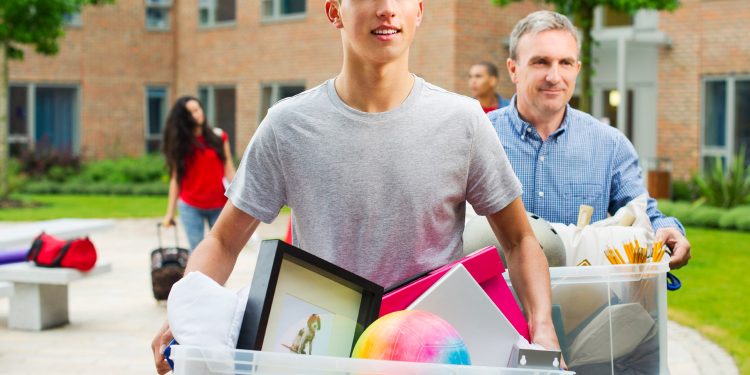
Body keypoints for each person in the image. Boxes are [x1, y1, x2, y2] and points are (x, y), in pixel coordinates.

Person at [152, 1, 561, 373]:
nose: (386, 9)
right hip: (323, 356)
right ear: (334, 12)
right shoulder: (287, 125)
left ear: (419, 11)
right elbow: (223, 242)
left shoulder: (463, 121)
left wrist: (543, 331)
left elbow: (521, 240)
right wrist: (187, 313)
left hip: (432, 356)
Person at [489, 10, 690, 269]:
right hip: (495, 302)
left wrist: (668, 229)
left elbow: (641, 212)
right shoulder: (479, 137)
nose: (554, 76)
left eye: (565, 63)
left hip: (583, 302)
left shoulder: (610, 145)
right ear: (513, 69)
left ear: (577, 69)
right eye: (541, 62)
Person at [161, 96, 236, 251]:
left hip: (219, 204)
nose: (197, 114)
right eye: (192, 112)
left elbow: (229, 169)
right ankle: (197, 276)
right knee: (197, 250)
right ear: (184, 118)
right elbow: (176, 178)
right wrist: (170, 213)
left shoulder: (219, 137)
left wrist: (239, 197)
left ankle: (216, 277)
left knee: (221, 249)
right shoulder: (180, 143)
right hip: (191, 206)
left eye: (198, 109)